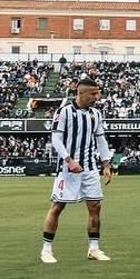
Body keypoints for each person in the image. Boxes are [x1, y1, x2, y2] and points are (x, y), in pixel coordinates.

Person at [41, 78, 113, 263]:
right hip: (68, 169)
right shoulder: (64, 112)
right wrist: (69, 160)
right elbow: (56, 140)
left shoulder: (96, 114)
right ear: (81, 93)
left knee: (95, 206)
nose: (97, 97)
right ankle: (46, 250)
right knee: (57, 206)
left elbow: (101, 140)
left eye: (98, 93)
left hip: (89, 168)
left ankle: (94, 249)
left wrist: (106, 164)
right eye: (93, 93)